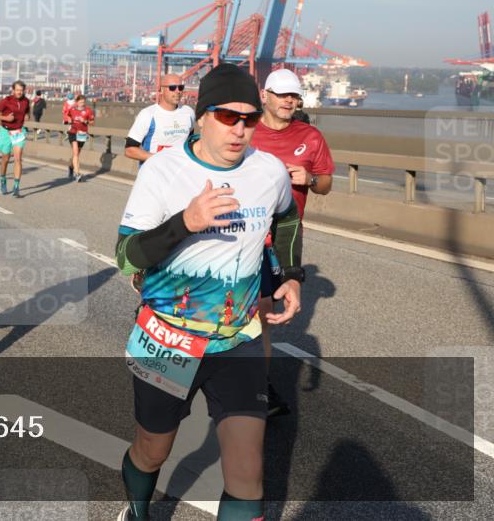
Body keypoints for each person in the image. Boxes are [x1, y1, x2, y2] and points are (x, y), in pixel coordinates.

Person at [114, 63, 303, 521]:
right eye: (227, 116)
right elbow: (125, 257)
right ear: (201, 117)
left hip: (238, 340)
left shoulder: (269, 171)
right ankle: (137, 511)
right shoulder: (162, 171)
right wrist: (186, 222)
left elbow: (287, 219)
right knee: (153, 450)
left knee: (247, 471)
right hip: (169, 340)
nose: (239, 129)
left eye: (249, 119)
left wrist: (291, 275)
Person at [251, 68, 334, 417]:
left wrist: (309, 178)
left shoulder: (310, 136)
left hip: (286, 233)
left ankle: (258, 388)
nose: (288, 101)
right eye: (282, 94)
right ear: (265, 95)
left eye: (294, 96)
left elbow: (326, 184)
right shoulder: (246, 130)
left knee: (261, 313)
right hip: (245, 230)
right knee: (242, 308)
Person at [125, 74, 196, 165]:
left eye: (181, 87)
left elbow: (190, 142)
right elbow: (129, 150)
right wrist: (160, 159)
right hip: (153, 171)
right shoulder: (148, 114)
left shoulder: (189, 113)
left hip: (180, 171)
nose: (178, 91)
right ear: (161, 90)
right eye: (172, 88)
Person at [0, 80, 31, 197]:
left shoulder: (26, 101)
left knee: (18, 158)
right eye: (17, 90)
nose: (19, 92)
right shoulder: (6, 101)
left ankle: (16, 186)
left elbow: (27, 112)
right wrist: (6, 118)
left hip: (18, 131)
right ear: (13, 90)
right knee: (6, 158)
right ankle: (3, 180)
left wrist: (27, 116)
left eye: (21, 90)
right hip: (6, 132)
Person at [64, 93, 95, 182]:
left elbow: (92, 123)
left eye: (83, 102)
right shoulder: (72, 109)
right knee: (76, 152)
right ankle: (77, 173)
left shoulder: (88, 110)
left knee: (77, 154)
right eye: (81, 102)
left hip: (82, 134)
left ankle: (71, 167)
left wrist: (85, 121)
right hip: (73, 132)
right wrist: (68, 119)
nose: (82, 104)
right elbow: (67, 116)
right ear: (77, 102)